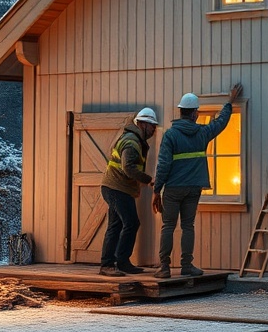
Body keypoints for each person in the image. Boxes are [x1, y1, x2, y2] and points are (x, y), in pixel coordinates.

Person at [152, 83, 244, 278]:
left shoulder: (170, 135)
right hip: (193, 188)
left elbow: (163, 165)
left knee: (168, 226)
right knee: (188, 226)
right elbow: (220, 122)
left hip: (173, 189)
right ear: (194, 114)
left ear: (180, 112)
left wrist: (156, 190)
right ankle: (186, 266)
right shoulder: (202, 133)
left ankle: (164, 268)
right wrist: (230, 101)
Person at [99, 107, 159, 277]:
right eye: (151, 126)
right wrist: (149, 180)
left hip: (115, 188)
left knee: (116, 225)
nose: (154, 130)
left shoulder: (133, 139)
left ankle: (114, 263)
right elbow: (128, 168)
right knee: (131, 223)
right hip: (116, 189)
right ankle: (114, 263)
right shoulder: (132, 142)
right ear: (142, 124)